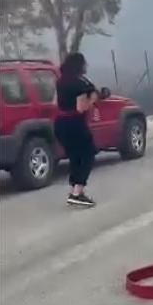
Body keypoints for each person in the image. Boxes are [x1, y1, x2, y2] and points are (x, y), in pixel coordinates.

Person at [54, 52, 100, 207]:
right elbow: (81, 108)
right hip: (74, 123)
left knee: (75, 157)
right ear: (79, 65)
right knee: (88, 154)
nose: (86, 66)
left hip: (60, 123)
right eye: (84, 63)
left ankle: (76, 191)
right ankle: (77, 192)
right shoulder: (79, 84)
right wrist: (93, 98)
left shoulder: (60, 81)